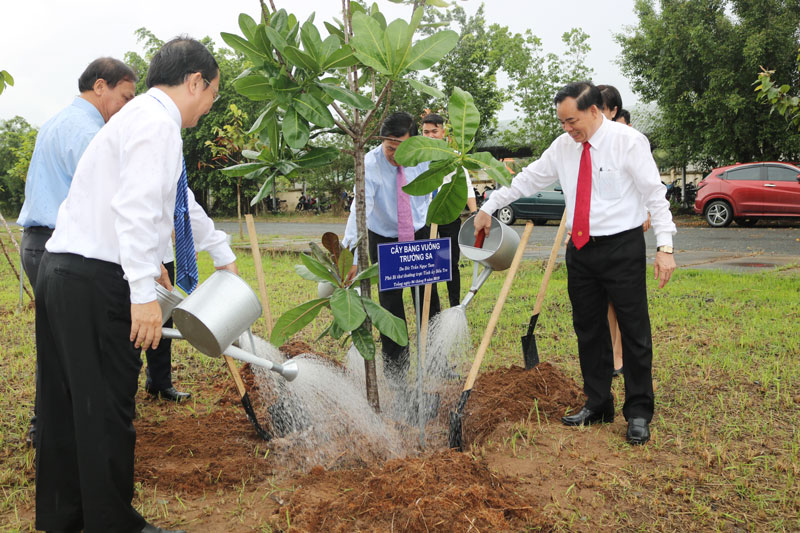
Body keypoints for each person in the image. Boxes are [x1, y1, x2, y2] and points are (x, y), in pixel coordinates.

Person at [34, 37, 236, 533]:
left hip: (62, 271)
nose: (210, 105)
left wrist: (221, 251)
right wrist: (143, 293)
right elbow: (138, 207)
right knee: (106, 407)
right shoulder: (156, 123)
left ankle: (66, 517)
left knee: (67, 404)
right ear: (195, 82)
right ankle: (112, 524)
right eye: (212, 93)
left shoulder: (140, 117)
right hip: (95, 279)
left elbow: (176, 201)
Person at [476, 81, 676, 445]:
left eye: (572, 121)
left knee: (633, 330)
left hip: (622, 247)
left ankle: (639, 411)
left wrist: (665, 246)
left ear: (594, 110)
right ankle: (598, 403)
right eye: (562, 123)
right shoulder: (563, 147)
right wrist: (489, 206)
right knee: (588, 328)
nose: (567, 129)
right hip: (581, 250)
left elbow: (655, 195)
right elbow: (527, 179)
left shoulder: (628, 142)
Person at [16, 57, 137, 447]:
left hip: (36, 243)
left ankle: (47, 426)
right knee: (79, 343)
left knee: (55, 341)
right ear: (100, 87)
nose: (126, 107)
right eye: (125, 96)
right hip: (63, 248)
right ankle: (72, 429)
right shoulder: (90, 132)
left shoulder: (56, 122)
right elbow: (109, 200)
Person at [343, 111, 440, 379]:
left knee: (428, 299)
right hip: (384, 238)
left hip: (419, 234)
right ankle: (396, 374)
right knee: (390, 306)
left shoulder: (425, 157)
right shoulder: (370, 164)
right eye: (389, 148)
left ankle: (435, 363)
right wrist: (349, 255)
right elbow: (360, 210)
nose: (394, 155)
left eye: (400, 149)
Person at [420, 113, 478, 307]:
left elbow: (466, 185)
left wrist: (474, 212)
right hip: (424, 218)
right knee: (428, 265)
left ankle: (455, 306)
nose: (430, 135)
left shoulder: (453, 158)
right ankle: (432, 308)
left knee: (450, 263)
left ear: (443, 132)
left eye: (434, 131)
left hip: (448, 214)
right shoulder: (417, 158)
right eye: (426, 132)